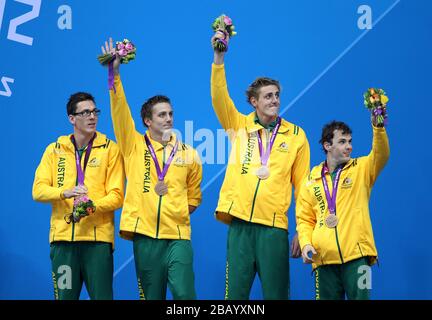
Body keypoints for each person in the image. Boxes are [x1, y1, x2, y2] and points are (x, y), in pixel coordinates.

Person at [210, 31, 310, 299]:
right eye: (267, 96)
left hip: (274, 229)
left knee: (277, 296)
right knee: (235, 299)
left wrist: (303, 229)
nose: (274, 100)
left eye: (277, 95)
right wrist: (219, 58)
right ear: (254, 102)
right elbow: (220, 99)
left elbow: (303, 187)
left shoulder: (297, 135)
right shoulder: (239, 125)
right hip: (240, 225)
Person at [101, 38, 203, 300]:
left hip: (178, 237)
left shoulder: (188, 154)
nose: (168, 118)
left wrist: (176, 210)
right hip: (145, 237)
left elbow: (194, 195)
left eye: (170, 114)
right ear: (147, 120)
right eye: (162, 115)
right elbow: (119, 111)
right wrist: (115, 73)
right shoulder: (132, 144)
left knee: (185, 296)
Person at [32, 92, 125, 300]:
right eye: (85, 112)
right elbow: (38, 190)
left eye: (94, 112)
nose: (92, 117)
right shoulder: (54, 150)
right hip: (63, 243)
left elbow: (117, 196)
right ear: (72, 119)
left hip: (97, 243)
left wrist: (91, 207)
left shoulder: (110, 149)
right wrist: (64, 193)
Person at [296, 117, 390, 300]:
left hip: (358, 259)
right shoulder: (311, 180)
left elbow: (382, 154)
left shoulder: (361, 168)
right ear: (327, 145)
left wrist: (378, 128)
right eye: (342, 141)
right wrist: (306, 243)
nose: (349, 147)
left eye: (350, 141)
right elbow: (304, 219)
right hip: (323, 261)